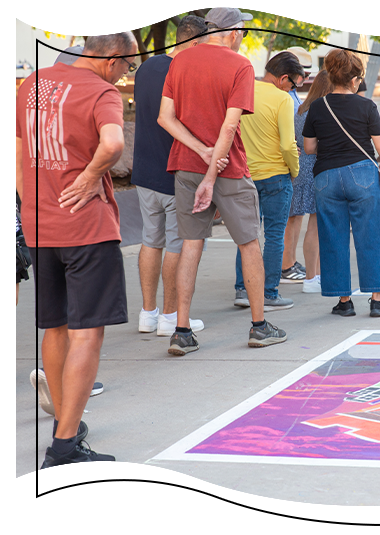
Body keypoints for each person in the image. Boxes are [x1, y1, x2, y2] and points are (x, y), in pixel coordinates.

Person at [16, 20, 137, 476]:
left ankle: (65, 426)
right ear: (110, 59)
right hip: (86, 226)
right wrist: (89, 177)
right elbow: (113, 143)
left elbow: (20, 153)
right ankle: (64, 447)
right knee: (89, 332)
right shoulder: (102, 93)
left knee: (57, 327)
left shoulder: (34, 82)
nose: (125, 76)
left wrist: (30, 210)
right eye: (125, 66)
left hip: (41, 224)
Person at [158, 3, 287, 351]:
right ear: (232, 33)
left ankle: (181, 331)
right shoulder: (240, 65)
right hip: (228, 169)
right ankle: (259, 325)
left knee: (190, 244)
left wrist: (200, 152)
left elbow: (165, 118)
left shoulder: (181, 60)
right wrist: (212, 171)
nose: (243, 37)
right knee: (249, 243)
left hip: (185, 164)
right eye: (242, 31)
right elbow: (230, 126)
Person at [133, 16, 210, 338]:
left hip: (143, 169)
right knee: (178, 244)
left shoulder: (147, 68)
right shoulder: (187, 73)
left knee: (151, 240)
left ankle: (147, 314)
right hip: (176, 171)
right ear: (194, 42)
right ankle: (170, 316)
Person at [302, 49, 380, 317]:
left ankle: (344, 301)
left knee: (333, 238)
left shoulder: (318, 106)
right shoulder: (367, 106)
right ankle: (376, 300)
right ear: (354, 80)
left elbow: (308, 148)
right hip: (362, 173)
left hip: (326, 176)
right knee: (369, 236)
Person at [234, 52, 304, 312]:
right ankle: (269, 293)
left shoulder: (242, 89)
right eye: (293, 84)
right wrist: (295, 170)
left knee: (247, 237)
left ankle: (243, 289)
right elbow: (288, 144)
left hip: (245, 175)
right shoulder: (281, 98)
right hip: (276, 176)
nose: (292, 90)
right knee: (274, 236)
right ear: (283, 78)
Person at [290, 71, 332, 293]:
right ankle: (312, 277)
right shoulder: (321, 110)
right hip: (316, 168)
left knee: (308, 223)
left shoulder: (301, 108)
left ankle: (312, 275)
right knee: (316, 226)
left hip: (300, 170)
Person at [280, 46, 319, 283]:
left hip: (299, 161)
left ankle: (290, 261)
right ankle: (286, 265)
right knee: (291, 216)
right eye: (301, 73)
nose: (304, 78)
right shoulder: (285, 95)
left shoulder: (292, 95)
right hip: (292, 161)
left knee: (295, 215)